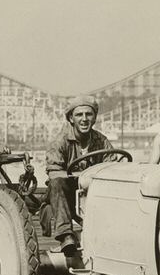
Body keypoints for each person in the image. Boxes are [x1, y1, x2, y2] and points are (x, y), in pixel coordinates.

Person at [46, 98, 112, 252]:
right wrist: (83, 176)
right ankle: (65, 236)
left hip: (93, 193)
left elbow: (114, 164)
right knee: (57, 183)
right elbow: (54, 173)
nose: (84, 119)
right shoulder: (60, 141)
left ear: (94, 118)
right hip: (65, 195)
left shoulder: (102, 141)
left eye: (89, 114)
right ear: (71, 119)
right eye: (79, 115)